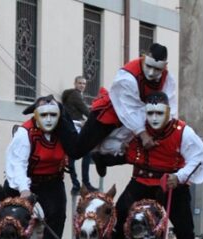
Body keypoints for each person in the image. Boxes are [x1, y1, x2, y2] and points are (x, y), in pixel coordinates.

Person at [107, 92, 203, 239]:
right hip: (141, 180)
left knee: (185, 230)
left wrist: (179, 177)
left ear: (168, 112)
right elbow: (112, 141)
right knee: (119, 216)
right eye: (150, 113)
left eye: (159, 113)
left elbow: (199, 158)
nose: (154, 118)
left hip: (171, 184)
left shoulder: (182, 131)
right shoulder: (137, 127)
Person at [75, 43, 177, 176]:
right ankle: (63, 124)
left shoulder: (168, 79)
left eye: (157, 69)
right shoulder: (127, 76)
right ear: (145, 58)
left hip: (142, 116)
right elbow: (128, 109)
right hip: (111, 112)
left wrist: (167, 132)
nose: (151, 73)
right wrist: (143, 134)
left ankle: (103, 159)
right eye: (149, 66)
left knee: (137, 152)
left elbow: (170, 107)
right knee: (77, 150)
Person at [3, 94, 77, 239]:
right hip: (25, 183)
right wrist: (24, 190)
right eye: (44, 115)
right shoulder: (25, 133)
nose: (49, 120)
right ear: (36, 115)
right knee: (15, 219)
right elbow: (17, 164)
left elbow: (85, 140)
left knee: (58, 216)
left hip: (52, 182)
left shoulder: (66, 129)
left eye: (53, 114)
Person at [61, 76, 96, 192]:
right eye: (80, 83)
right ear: (75, 84)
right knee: (86, 153)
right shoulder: (75, 95)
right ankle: (84, 183)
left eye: (84, 84)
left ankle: (76, 184)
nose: (82, 85)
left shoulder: (75, 95)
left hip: (74, 126)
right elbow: (86, 111)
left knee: (73, 157)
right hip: (75, 126)